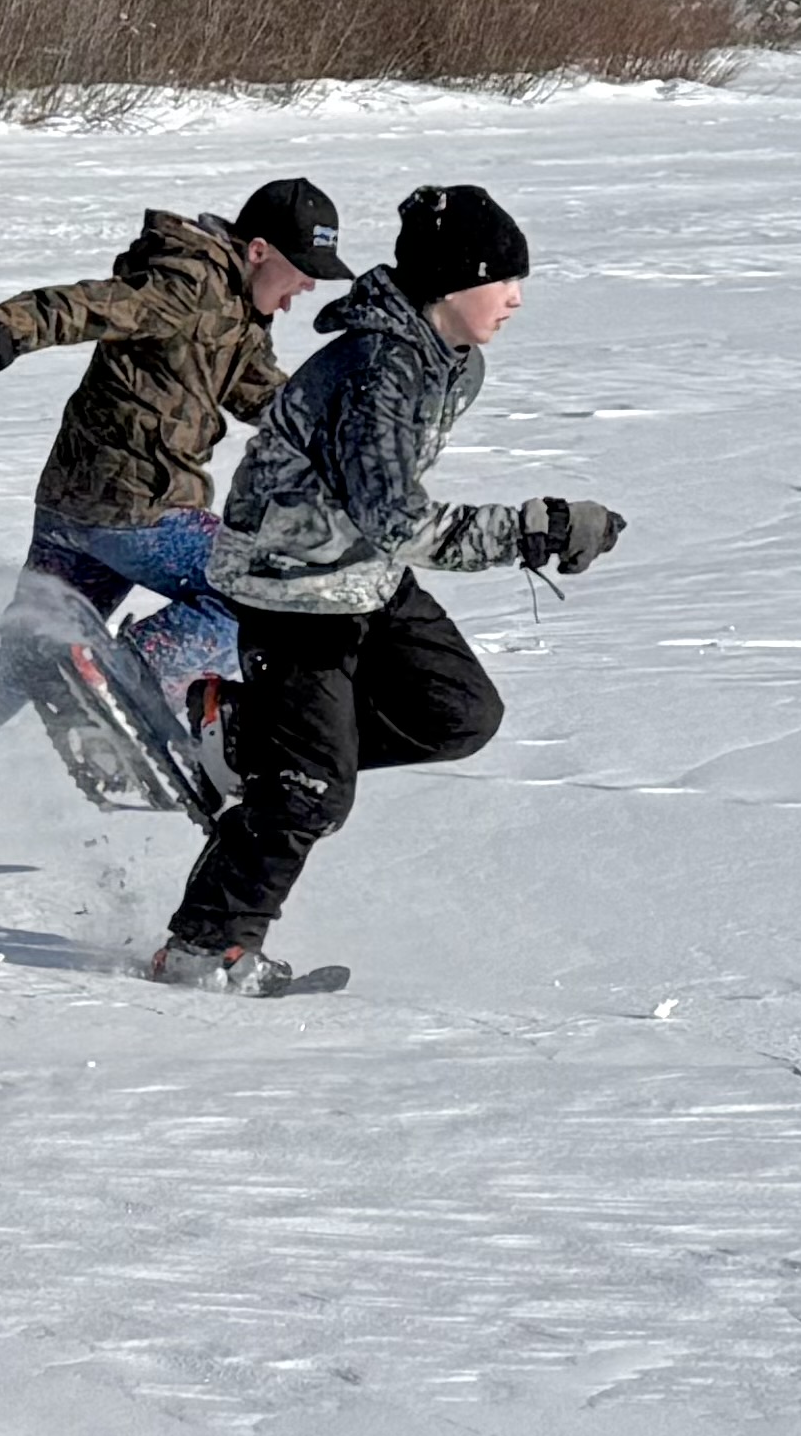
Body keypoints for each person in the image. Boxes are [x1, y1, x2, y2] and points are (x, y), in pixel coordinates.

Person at [151, 183, 622, 993]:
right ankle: (203, 946)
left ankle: (242, 734)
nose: (514, 299)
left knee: (459, 713)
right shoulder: (382, 370)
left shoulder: (452, 363)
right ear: (448, 283)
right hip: (289, 583)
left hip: (359, 575)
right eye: (501, 281)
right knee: (308, 793)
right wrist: (531, 529)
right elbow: (395, 516)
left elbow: (380, 528)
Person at [0, 178, 350, 863]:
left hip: (77, 509)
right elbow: (79, 307)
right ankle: (128, 689)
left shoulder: (235, 311)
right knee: (259, 583)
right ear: (260, 250)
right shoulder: (188, 282)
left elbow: (256, 392)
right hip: (134, 511)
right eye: (301, 275)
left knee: (24, 650)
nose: (303, 292)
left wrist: (339, 446)